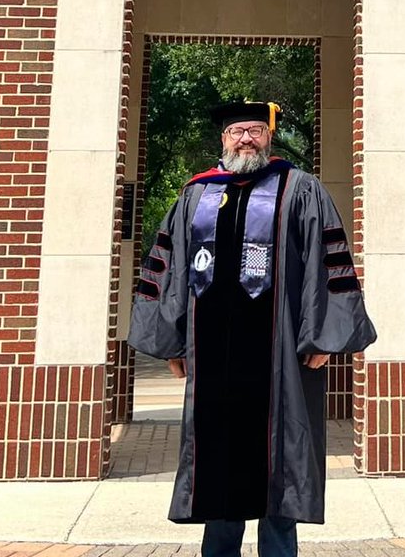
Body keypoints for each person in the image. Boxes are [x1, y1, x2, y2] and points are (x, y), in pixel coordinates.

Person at [128, 100, 376, 557]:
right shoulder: (195, 196)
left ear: (269, 137)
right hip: (212, 364)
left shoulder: (298, 189)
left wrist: (321, 335)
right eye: (238, 131)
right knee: (218, 461)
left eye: (256, 131)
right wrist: (172, 342)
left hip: (279, 357)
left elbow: (329, 262)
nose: (246, 139)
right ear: (223, 139)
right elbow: (171, 266)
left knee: (278, 463)